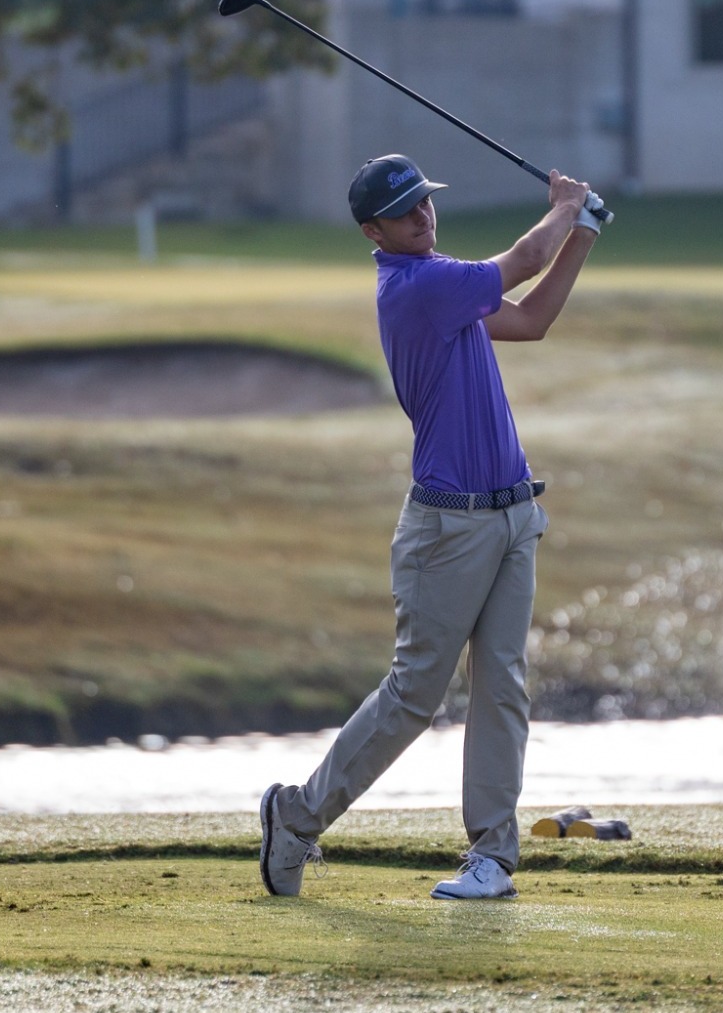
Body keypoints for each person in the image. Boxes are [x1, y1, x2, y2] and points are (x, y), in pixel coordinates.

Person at [259, 153, 602, 901]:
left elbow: (535, 320)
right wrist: (565, 206)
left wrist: (582, 233)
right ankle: (297, 816)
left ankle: (492, 856)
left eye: (425, 201)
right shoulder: (417, 287)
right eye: (405, 210)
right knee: (415, 694)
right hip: (448, 529)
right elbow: (523, 260)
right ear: (371, 230)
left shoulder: (444, 280)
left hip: (512, 513)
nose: (423, 216)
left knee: (503, 686)